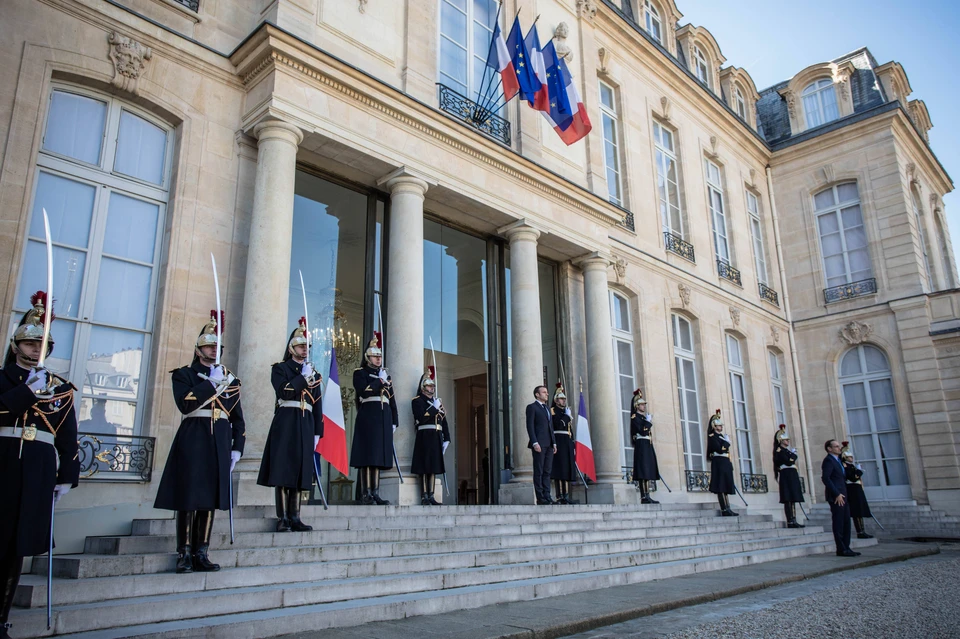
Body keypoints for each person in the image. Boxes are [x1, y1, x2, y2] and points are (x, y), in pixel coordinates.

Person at [0, 292, 79, 639]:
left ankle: (1, 618)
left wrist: (67, 476)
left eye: (42, 344)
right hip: (3, 464)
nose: (35, 349)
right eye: (30, 342)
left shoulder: (59, 389)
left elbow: (68, 437)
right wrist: (26, 393)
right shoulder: (3, 379)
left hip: (37, 470)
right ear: (17, 344)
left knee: (17, 545)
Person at [154, 311, 246, 573]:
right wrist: (210, 384)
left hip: (219, 439)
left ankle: (201, 551)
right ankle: (183, 552)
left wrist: (237, 447)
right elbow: (185, 404)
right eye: (208, 345)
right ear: (198, 349)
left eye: (216, 346)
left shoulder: (230, 380)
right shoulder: (184, 375)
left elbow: (238, 418)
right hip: (194, 435)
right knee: (188, 496)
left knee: (209, 497)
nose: (212, 350)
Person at [257, 317, 323, 532]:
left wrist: (317, 431)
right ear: (291, 347)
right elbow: (284, 391)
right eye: (301, 346)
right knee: (284, 467)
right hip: (286, 419)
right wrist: (302, 379)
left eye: (307, 346)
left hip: (305, 420)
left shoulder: (313, 372)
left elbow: (317, 403)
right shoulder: (280, 369)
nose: (305, 350)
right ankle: (283, 517)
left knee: (299, 468)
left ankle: (295, 516)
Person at [351, 335, 398, 505]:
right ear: (367, 357)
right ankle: (366, 494)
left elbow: (391, 399)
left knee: (378, 457)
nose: (378, 359)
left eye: (380, 356)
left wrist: (394, 420)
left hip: (383, 417)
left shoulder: (385, 376)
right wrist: (380, 381)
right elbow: (364, 391)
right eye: (375, 356)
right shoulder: (360, 373)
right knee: (367, 456)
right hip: (368, 417)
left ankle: (375, 492)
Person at [410, 367, 449, 505]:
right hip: (424, 435)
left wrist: (447, 438)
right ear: (423, 387)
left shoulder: (436, 402)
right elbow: (421, 417)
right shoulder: (417, 401)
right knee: (424, 467)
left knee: (433, 467)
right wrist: (434, 408)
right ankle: (424, 496)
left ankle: (431, 495)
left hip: (436, 436)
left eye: (433, 386)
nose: (432, 388)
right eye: (429, 385)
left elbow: (443, 420)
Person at [822, 439, 859, 557]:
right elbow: (826, 478)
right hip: (836, 496)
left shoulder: (838, 461)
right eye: (836, 446)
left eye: (838, 446)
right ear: (829, 448)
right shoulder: (828, 461)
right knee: (839, 522)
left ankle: (846, 547)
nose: (839, 448)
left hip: (844, 495)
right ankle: (841, 548)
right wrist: (836, 493)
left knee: (846, 522)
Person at [526, 385, 556, 505]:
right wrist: (534, 442)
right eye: (544, 392)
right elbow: (530, 426)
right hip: (539, 444)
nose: (547, 394)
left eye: (547, 392)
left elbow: (551, 427)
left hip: (549, 444)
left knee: (547, 471)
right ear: (537, 394)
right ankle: (540, 497)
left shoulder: (548, 408)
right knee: (539, 470)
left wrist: (554, 443)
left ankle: (547, 495)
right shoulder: (532, 407)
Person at [630, 390, 660, 505]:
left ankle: (648, 495)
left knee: (648, 470)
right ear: (637, 406)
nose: (644, 406)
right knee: (643, 471)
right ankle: (644, 496)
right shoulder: (635, 417)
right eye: (642, 404)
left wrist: (646, 421)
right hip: (641, 445)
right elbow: (643, 432)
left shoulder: (641, 418)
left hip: (647, 445)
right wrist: (648, 422)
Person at [549, 382, 577, 505]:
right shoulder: (553, 410)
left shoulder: (566, 411)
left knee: (567, 469)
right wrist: (566, 417)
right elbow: (558, 424)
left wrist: (573, 444)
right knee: (559, 469)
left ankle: (566, 495)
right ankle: (560, 495)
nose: (563, 400)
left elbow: (570, 430)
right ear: (555, 400)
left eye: (564, 398)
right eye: (561, 398)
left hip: (567, 441)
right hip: (558, 440)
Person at [840, 442, 874, 540]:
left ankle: (862, 530)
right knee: (856, 511)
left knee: (860, 511)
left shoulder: (851, 466)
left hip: (857, 489)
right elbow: (853, 478)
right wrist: (859, 471)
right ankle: (860, 531)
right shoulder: (845, 466)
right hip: (852, 489)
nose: (852, 458)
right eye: (849, 457)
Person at [772, 425, 804, 528]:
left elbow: (791, 459)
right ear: (780, 440)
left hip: (792, 475)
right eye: (785, 440)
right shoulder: (779, 451)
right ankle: (790, 520)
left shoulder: (787, 451)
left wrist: (792, 456)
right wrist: (794, 455)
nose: (788, 441)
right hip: (786, 475)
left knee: (793, 499)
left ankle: (794, 519)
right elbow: (789, 461)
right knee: (788, 499)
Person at [707, 409, 738, 516]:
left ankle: (728, 508)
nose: (721, 427)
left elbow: (725, 450)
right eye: (719, 426)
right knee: (721, 486)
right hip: (719, 462)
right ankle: (724, 509)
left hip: (725, 461)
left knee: (725, 486)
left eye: (721, 425)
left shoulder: (721, 437)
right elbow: (720, 449)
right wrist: (726, 442)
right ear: (714, 426)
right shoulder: (712, 437)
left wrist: (725, 443)